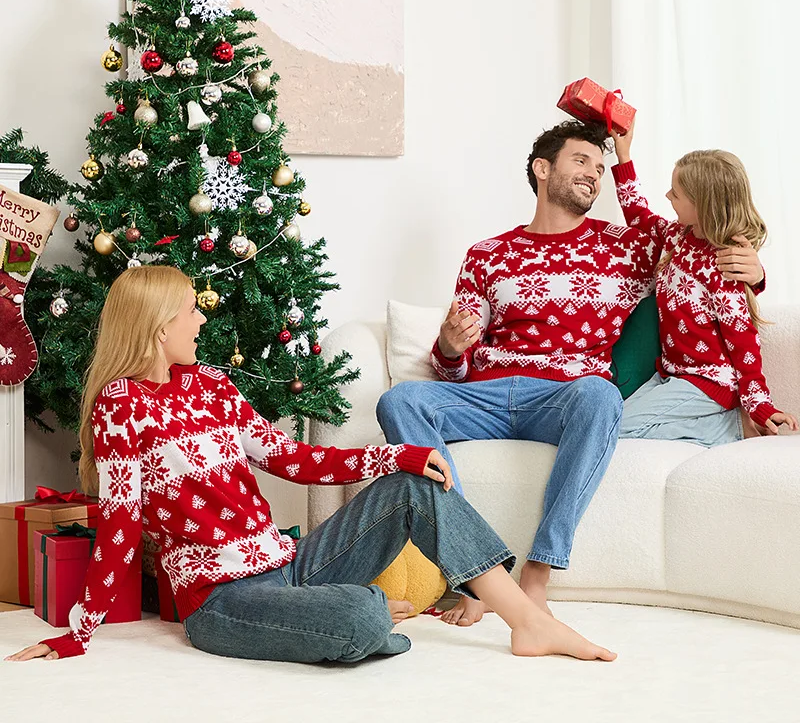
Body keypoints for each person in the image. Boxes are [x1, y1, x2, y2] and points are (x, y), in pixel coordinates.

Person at [6, 265, 617, 664]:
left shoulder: (213, 385)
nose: (201, 320)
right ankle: (368, 617)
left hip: (291, 566)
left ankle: (526, 620)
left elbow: (294, 458)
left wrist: (399, 454)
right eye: (191, 311)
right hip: (220, 602)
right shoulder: (122, 408)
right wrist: (77, 632)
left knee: (410, 488)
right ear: (158, 325)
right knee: (360, 615)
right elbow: (119, 523)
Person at [377, 120, 766, 627]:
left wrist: (756, 271)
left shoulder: (627, 248)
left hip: (563, 399)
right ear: (543, 169)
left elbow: (705, 249)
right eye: (581, 161)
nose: (594, 175)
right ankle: (477, 572)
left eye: (601, 168)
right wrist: (449, 348)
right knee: (400, 402)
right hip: (487, 396)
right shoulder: (487, 255)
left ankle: (537, 573)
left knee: (601, 397)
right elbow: (452, 370)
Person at [611, 122, 798, 444]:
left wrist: (759, 405)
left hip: (706, 381)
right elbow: (639, 215)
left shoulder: (724, 265)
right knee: (607, 419)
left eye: (676, 193)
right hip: (671, 373)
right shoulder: (677, 237)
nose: (667, 195)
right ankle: (723, 426)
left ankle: (730, 430)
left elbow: (744, 342)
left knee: (615, 429)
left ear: (702, 204)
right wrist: (624, 154)